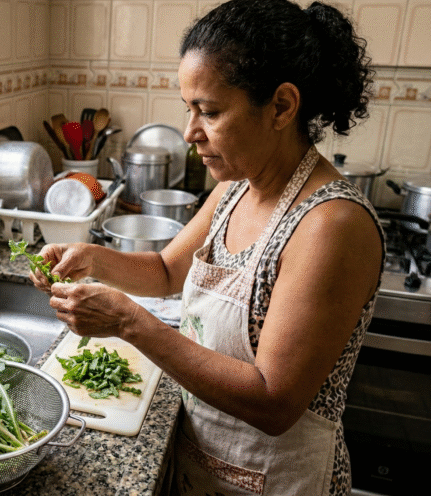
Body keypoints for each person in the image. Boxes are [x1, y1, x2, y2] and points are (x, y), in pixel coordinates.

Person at [28, 1, 384, 494]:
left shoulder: (331, 224)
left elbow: (274, 402)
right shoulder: (235, 187)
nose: (190, 132)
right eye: (189, 109)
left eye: (210, 112)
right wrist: (91, 259)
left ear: (282, 106)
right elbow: (166, 270)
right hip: (202, 470)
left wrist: (129, 322)